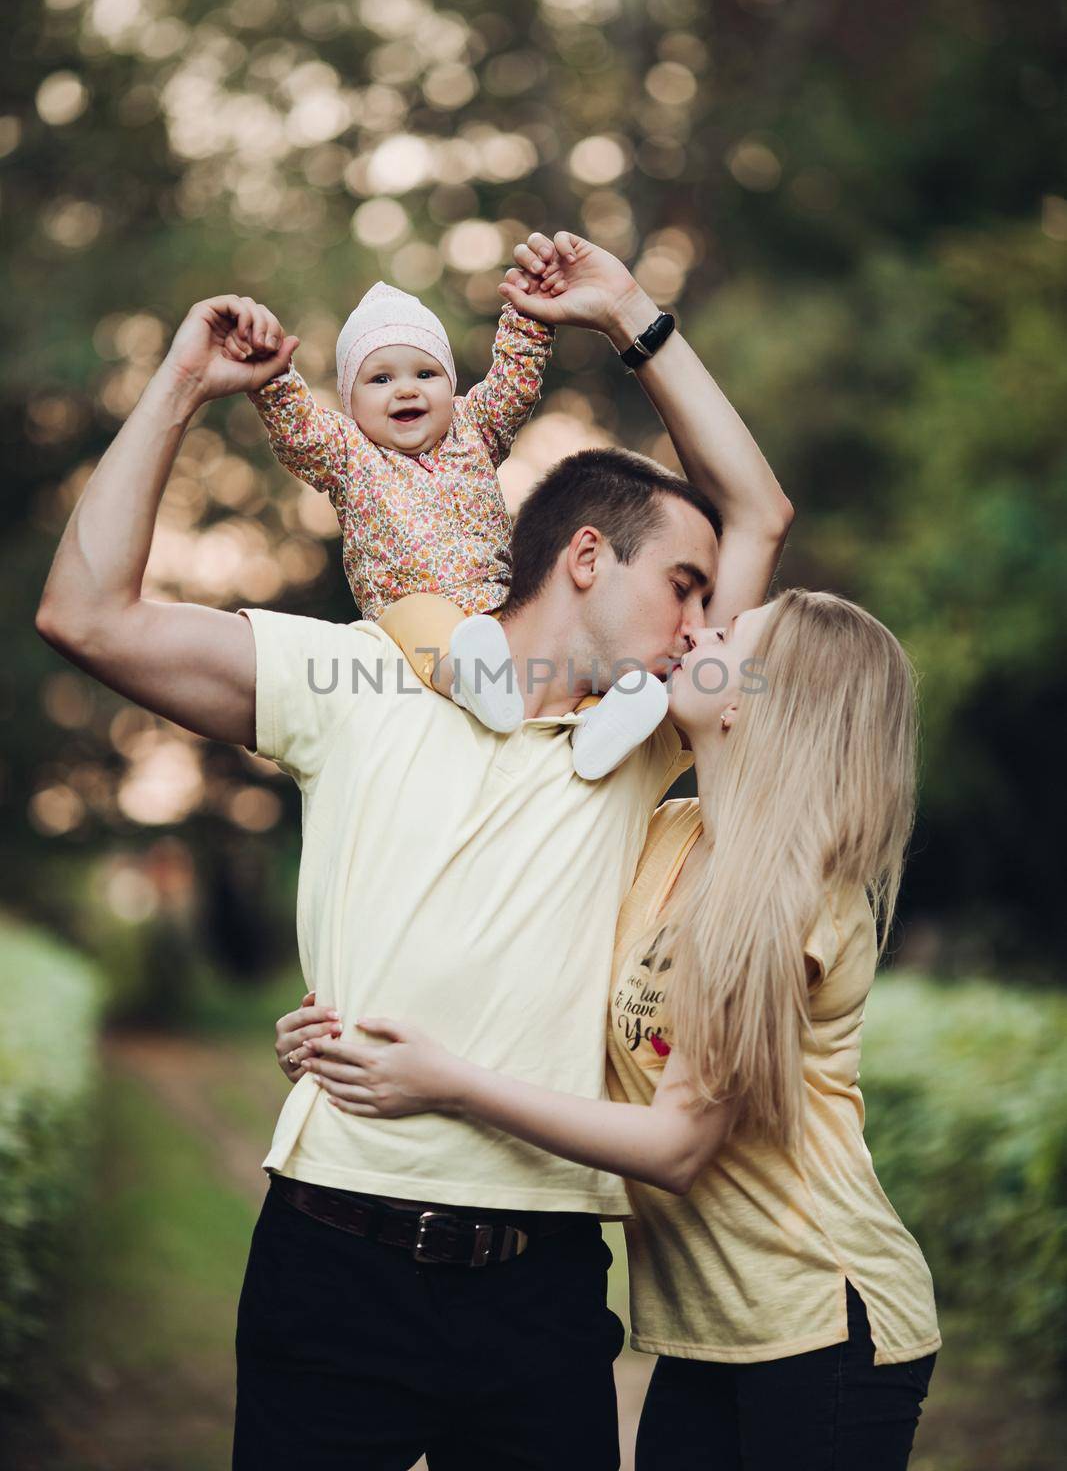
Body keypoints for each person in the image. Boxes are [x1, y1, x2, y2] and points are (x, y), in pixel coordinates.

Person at [35, 229, 793, 1470]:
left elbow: (759, 505)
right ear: (588, 558)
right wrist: (179, 380)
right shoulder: (352, 671)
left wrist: (627, 313)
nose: (709, 628)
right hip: (335, 1263)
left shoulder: (655, 731)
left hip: (543, 1282)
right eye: (685, 587)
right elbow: (85, 614)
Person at [283, 588, 941, 1471]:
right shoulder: (671, 832)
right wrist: (345, 1027)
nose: (695, 631)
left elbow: (674, 1147)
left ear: (749, 696)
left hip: (821, 1325)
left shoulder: (795, 904)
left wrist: (449, 1082)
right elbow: (534, 961)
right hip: (707, 1334)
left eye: (725, 633)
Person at [232, 255, 671, 776]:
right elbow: (298, 430)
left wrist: (530, 317)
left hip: (500, 607)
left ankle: (602, 721)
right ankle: (472, 677)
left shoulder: (473, 429)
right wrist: (273, 380)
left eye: (426, 373)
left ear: (451, 384)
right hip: (412, 622)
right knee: (426, 617)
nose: (406, 389)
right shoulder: (346, 452)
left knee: (564, 649)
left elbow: (514, 383)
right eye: (379, 379)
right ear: (349, 403)